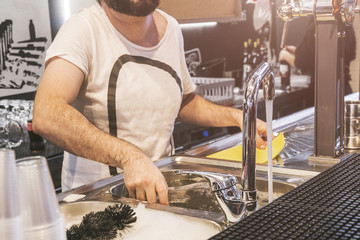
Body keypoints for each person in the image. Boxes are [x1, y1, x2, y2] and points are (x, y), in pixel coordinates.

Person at [32, 0, 269, 205]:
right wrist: (130, 158)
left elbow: (184, 101)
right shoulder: (83, 29)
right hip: (99, 201)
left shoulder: (172, 29)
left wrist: (239, 117)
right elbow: (47, 114)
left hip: (163, 194)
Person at [279, 17, 356, 95]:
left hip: (324, 91)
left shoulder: (319, 19)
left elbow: (303, 61)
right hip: (344, 88)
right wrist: (297, 51)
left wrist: (284, 55)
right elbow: (351, 53)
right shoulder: (344, 19)